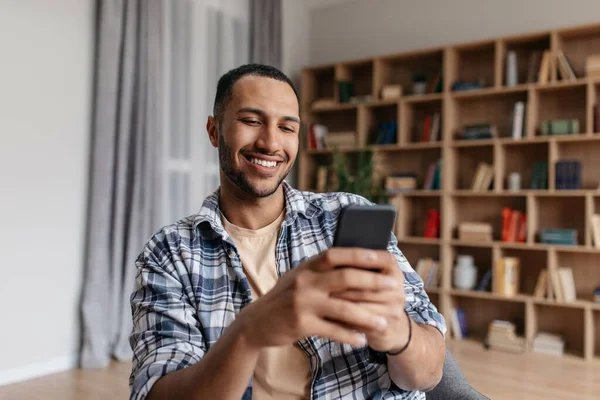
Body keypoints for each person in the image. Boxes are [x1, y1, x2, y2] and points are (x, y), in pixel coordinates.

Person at [129, 63, 447, 400]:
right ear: (213, 130)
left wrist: (394, 330)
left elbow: (429, 374)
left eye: (287, 127)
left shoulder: (344, 216)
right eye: (251, 121)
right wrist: (248, 333)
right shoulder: (169, 254)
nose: (270, 142)